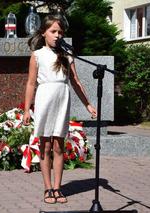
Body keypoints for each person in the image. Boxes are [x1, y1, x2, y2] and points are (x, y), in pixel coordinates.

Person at [23, 12, 97, 204]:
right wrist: (26, 110)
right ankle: (47, 188)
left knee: (58, 145)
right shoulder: (37, 55)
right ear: (44, 33)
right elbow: (31, 84)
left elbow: (76, 82)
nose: (57, 35)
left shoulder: (67, 55)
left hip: (62, 101)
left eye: (60, 32)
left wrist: (88, 104)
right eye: (53, 31)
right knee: (45, 145)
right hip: (45, 100)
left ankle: (58, 188)